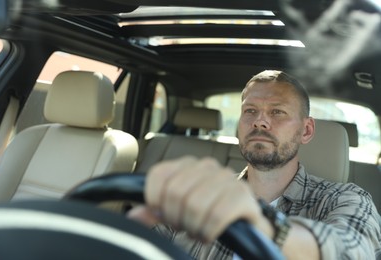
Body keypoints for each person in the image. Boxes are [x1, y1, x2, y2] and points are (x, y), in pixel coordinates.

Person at [128, 70, 381, 259]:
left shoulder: (345, 199)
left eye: (277, 112)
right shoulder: (196, 196)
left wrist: (264, 228)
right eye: (250, 111)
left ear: (306, 130)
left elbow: (351, 250)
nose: (260, 122)